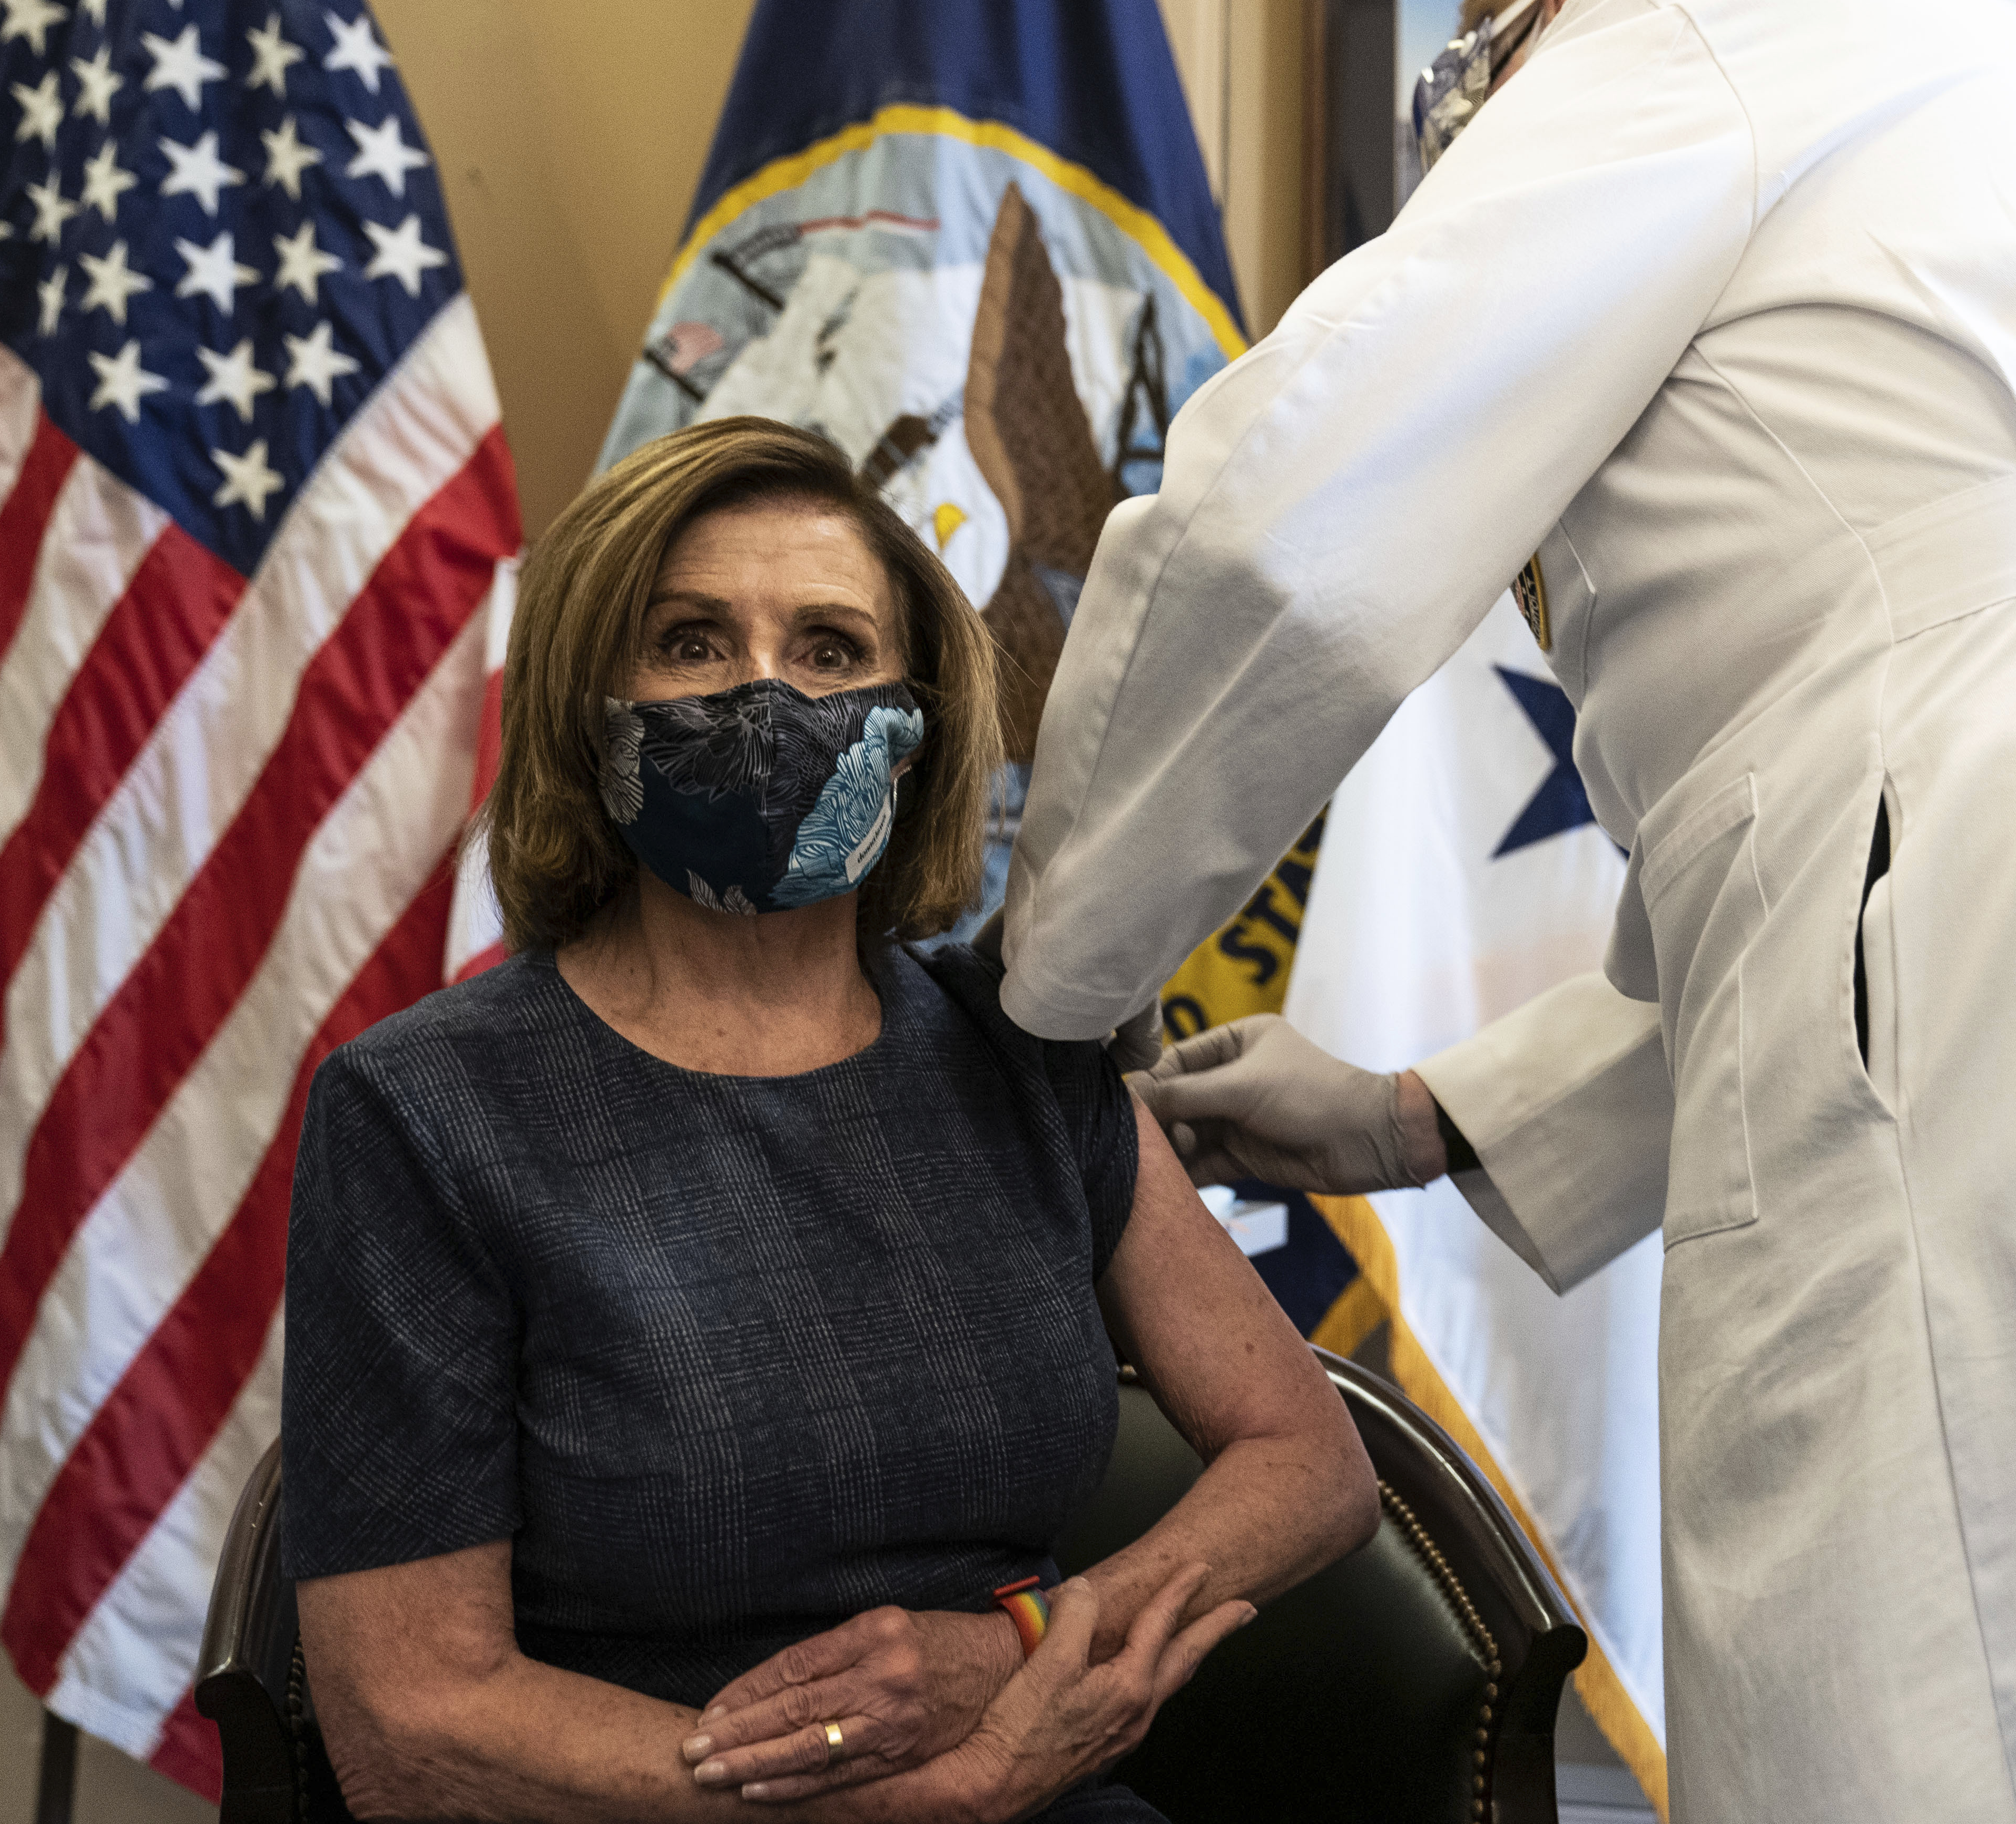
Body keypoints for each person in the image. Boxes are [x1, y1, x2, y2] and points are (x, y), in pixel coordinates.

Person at [1001, 0, 2016, 1824]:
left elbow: (1279, 529)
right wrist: (1409, 1113)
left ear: (1529, 33)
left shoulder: (1663, 32)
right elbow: (1854, 804)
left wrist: (1037, 979)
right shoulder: (2008, 123)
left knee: (1957, 1659)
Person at [279, 417, 1377, 1823]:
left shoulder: (1021, 1053)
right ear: (583, 703)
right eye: (689, 640)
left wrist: (1023, 1646)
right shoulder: (424, 1112)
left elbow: (1308, 1464)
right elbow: (410, 1727)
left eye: (831, 649)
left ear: (916, 729)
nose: (765, 695)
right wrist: (903, 1805)